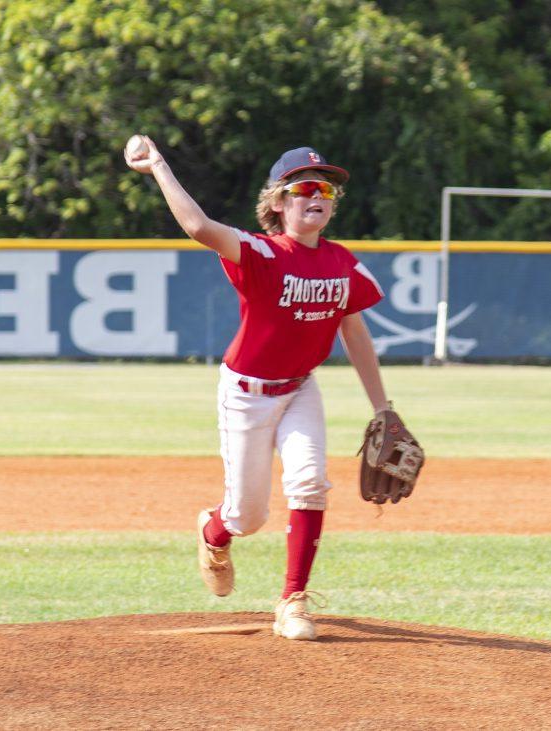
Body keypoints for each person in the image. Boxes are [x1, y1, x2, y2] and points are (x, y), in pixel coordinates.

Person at [125, 138, 391, 641]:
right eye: (306, 186)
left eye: (328, 188)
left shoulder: (340, 263)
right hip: (247, 393)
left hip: (300, 390)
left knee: (311, 483)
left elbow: (353, 331)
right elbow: (199, 227)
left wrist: (383, 408)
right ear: (278, 202)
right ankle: (213, 532)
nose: (319, 195)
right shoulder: (261, 252)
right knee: (247, 516)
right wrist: (159, 165)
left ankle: (292, 601)